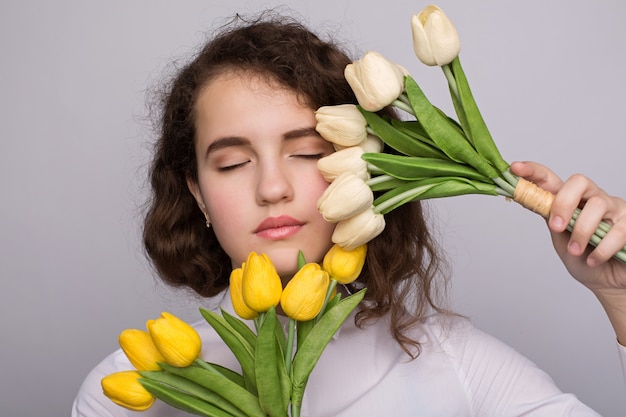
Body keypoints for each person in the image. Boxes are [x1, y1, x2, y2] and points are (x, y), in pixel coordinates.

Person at [71, 12, 626, 417]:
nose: (272, 187)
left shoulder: (458, 367)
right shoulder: (131, 387)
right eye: (234, 162)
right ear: (197, 195)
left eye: (308, 152)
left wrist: (619, 296)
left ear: (364, 167)